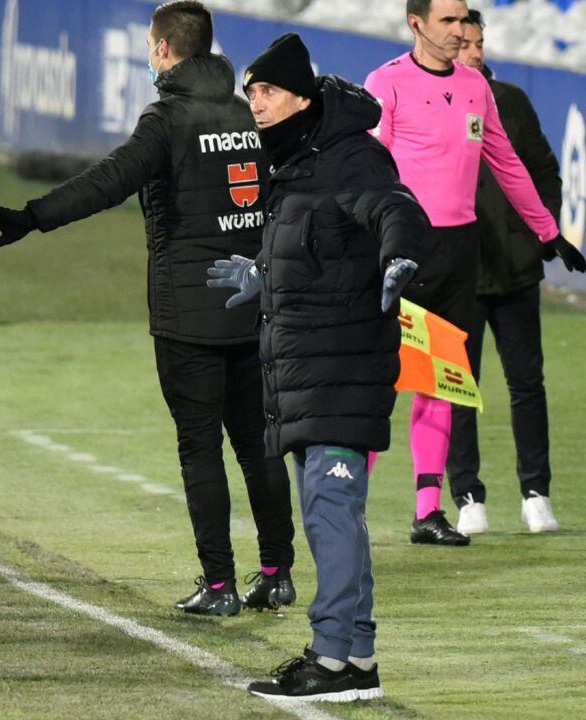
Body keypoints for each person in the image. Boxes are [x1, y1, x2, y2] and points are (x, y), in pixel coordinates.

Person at [0, 0, 296, 616]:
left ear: (166, 50)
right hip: (254, 305)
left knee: (200, 449)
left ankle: (220, 586)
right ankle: (277, 575)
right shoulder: (250, 113)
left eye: (153, 45)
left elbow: (108, 181)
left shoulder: (167, 120)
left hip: (189, 314)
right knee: (258, 445)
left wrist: (32, 217)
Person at [208, 33, 429, 701]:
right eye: (251, 93)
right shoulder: (300, 161)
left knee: (332, 513)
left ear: (303, 97)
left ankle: (330, 661)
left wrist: (398, 257)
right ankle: (355, 657)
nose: (256, 103)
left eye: (268, 91)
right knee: (337, 514)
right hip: (308, 367)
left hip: (342, 364)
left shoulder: (349, 157)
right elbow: (321, 245)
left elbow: (395, 209)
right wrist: (264, 276)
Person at [363, 0, 584, 546]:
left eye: (464, 20)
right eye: (448, 20)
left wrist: (547, 231)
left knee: (439, 383)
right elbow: (366, 166)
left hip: (460, 253)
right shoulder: (385, 82)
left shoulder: (475, 88)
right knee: (378, 382)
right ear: (416, 24)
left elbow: (507, 162)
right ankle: (349, 506)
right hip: (404, 247)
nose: (460, 30)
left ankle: (429, 510)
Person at [447, 10, 562, 535]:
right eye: (464, 43)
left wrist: (541, 240)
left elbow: (543, 170)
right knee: (458, 387)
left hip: (515, 272)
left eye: (478, 43)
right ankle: (468, 495)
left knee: (527, 384)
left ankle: (536, 492)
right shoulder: (439, 104)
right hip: (459, 275)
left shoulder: (511, 101)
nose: (473, 52)